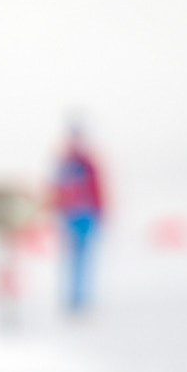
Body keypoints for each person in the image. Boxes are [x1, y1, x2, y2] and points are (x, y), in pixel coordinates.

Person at [49, 123, 106, 314]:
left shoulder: (81, 163)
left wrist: (99, 212)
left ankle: (79, 298)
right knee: (75, 258)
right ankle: (75, 298)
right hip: (72, 216)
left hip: (83, 215)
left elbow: (96, 190)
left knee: (81, 258)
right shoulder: (68, 163)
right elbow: (57, 191)